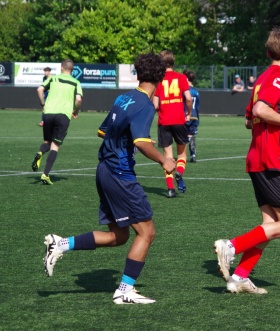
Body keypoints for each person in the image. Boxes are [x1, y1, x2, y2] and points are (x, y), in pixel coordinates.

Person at [42, 52, 176, 305]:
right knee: (147, 232)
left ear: (138, 73)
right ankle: (125, 290)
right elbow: (142, 141)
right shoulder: (145, 104)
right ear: (161, 77)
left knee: (119, 236)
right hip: (119, 174)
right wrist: (164, 160)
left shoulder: (124, 97)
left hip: (104, 169)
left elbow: (102, 131)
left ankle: (61, 244)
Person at [214, 27, 280, 294]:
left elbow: (248, 120)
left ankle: (240, 276)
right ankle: (231, 246)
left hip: (256, 157)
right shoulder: (279, 78)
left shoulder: (263, 78)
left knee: (269, 225)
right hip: (270, 158)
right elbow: (259, 110)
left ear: (267, 53)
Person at [31, 60, 83, 185]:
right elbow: (79, 99)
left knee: (47, 142)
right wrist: (76, 110)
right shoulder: (76, 82)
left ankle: (40, 152)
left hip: (48, 114)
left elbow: (39, 90)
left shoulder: (53, 79)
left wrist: (43, 104)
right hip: (63, 115)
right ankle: (45, 174)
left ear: (61, 68)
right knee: (55, 146)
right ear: (72, 70)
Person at [153, 50, 193, 198]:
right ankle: (179, 173)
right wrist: (188, 113)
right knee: (182, 153)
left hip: (164, 121)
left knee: (167, 157)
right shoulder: (181, 77)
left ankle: (170, 189)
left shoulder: (158, 80)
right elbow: (188, 99)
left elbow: (155, 105)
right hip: (178, 120)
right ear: (173, 62)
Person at [183, 69, 200, 163]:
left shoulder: (185, 90)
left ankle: (183, 155)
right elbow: (197, 106)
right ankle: (192, 154)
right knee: (192, 135)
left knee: (184, 136)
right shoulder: (196, 92)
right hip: (195, 116)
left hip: (186, 115)